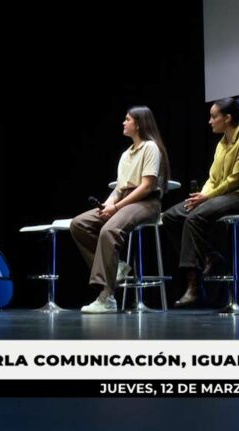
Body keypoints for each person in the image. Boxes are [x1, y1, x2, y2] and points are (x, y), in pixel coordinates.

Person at [70, 106, 170, 313]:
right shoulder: (126, 154)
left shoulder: (150, 147)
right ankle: (118, 267)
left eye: (127, 119)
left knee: (109, 230)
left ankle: (107, 297)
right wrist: (107, 205)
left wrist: (116, 207)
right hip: (125, 201)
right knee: (79, 224)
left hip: (146, 203)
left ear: (139, 124)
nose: (123, 123)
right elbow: (119, 188)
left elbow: (147, 186)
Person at [162, 98, 239, 308]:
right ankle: (208, 256)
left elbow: (236, 180)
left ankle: (194, 286)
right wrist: (201, 196)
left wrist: (207, 197)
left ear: (228, 118)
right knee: (171, 216)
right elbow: (213, 179)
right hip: (218, 196)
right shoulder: (221, 144)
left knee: (194, 218)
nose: (210, 121)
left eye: (214, 117)